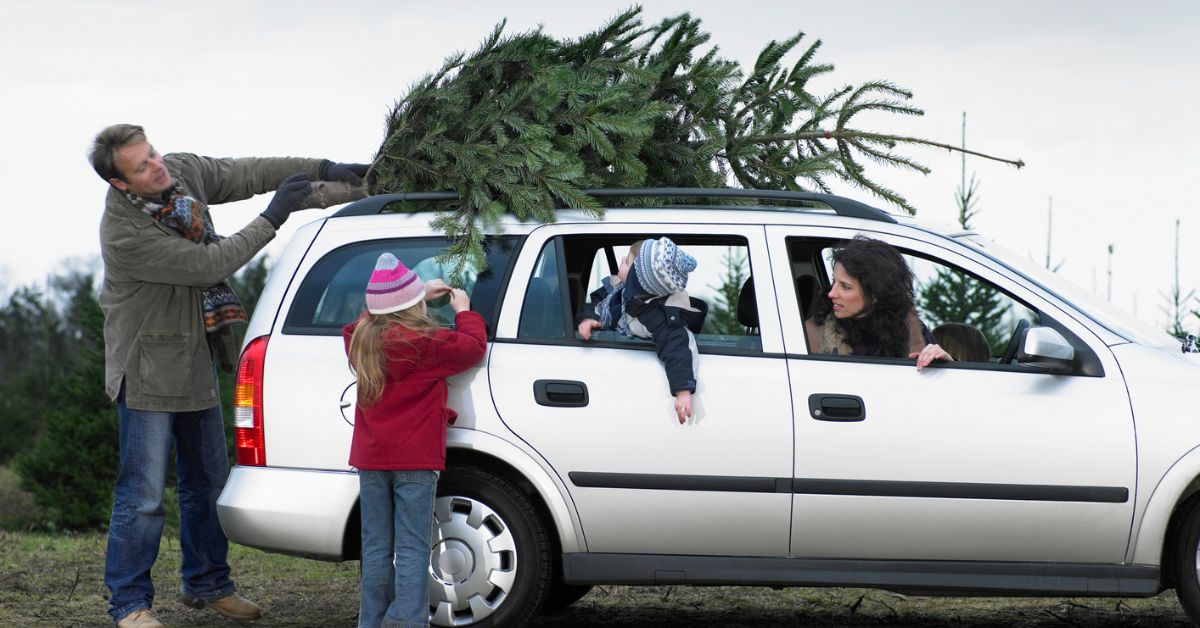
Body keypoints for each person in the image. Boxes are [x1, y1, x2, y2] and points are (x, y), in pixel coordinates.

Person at [91, 123, 368, 628]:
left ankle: (208, 583)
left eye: (151, 153)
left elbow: (249, 173)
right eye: (141, 166)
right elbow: (210, 264)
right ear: (122, 185)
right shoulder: (125, 232)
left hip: (193, 360)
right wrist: (275, 217)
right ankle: (129, 604)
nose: (157, 165)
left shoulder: (181, 174)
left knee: (208, 484)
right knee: (144, 494)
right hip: (146, 371)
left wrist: (322, 169)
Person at [343, 253, 487, 628]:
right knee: (411, 547)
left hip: (372, 462)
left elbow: (357, 324)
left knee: (375, 548)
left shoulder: (360, 342)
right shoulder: (428, 343)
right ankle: (407, 623)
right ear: (414, 306)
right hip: (416, 463)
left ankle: (372, 622)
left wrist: (411, 294)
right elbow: (473, 346)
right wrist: (463, 309)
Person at [576, 237, 706, 423]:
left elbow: (678, 346)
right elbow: (596, 305)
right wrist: (589, 319)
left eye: (627, 261)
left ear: (637, 280)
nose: (621, 260)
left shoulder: (656, 316)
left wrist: (683, 390)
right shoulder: (616, 291)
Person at [804, 235, 952, 370]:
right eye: (834, 281)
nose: (831, 293)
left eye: (845, 286)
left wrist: (945, 360)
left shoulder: (911, 328)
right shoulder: (816, 331)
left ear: (876, 293)